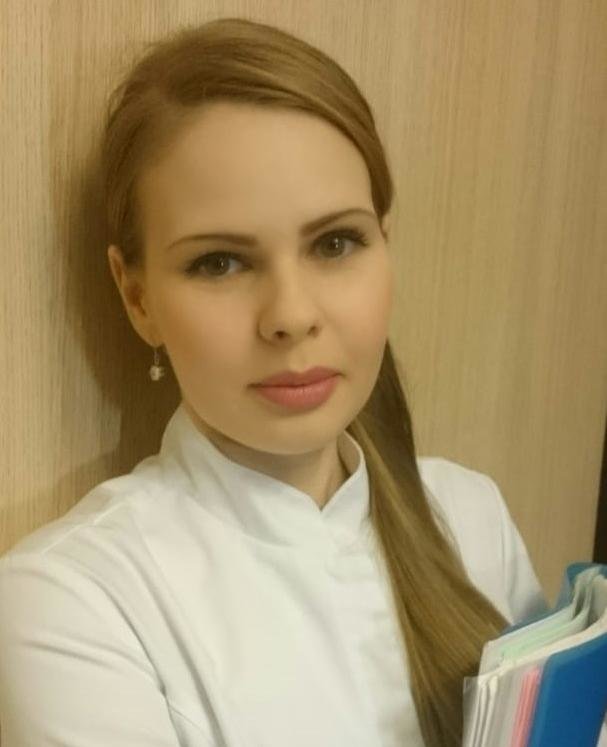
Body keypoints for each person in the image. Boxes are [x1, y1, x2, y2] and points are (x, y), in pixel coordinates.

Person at [0, 17, 549, 747]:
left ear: (385, 245)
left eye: (335, 243)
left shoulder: (472, 520)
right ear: (137, 297)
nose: (291, 315)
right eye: (220, 262)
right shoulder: (72, 603)